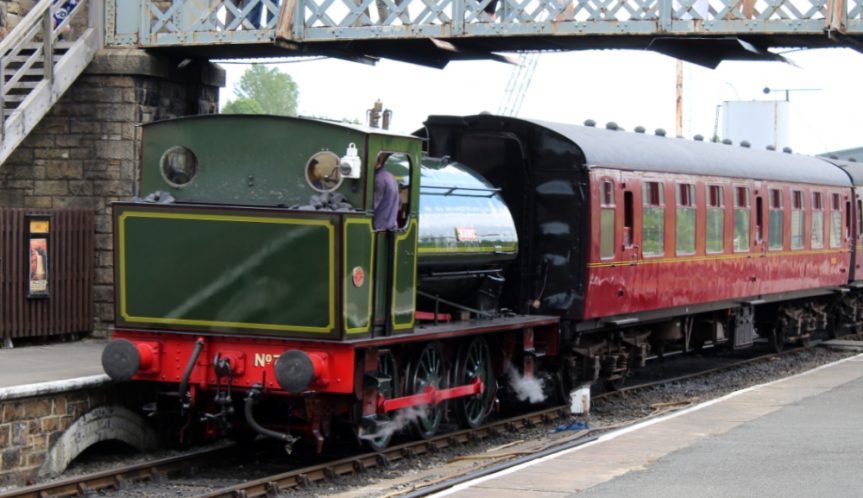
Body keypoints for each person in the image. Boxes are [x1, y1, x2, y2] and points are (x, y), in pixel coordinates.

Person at [373, 155, 400, 231]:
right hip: (391, 224)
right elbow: (399, 203)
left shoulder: (378, 179)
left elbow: (373, 204)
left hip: (379, 226)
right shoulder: (390, 176)